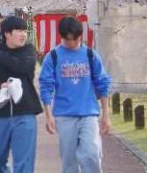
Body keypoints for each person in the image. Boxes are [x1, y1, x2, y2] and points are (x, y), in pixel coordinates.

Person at [39, 16, 112, 173]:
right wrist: (48, 115)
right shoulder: (53, 57)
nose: (73, 43)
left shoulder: (91, 55)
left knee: (92, 154)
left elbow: (103, 83)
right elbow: (45, 86)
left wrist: (106, 115)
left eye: (76, 39)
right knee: (69, 161)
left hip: (89, 114)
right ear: (62, 36)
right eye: (68, 39)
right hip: (64, 116)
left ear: (81, 36)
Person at [0, 16, 42, 173]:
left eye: (24, 31)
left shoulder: (28, 51)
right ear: (7, 33)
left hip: (25, 112)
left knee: (23, 163)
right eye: (19, 31)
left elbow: (23, 67)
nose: (23, 34)